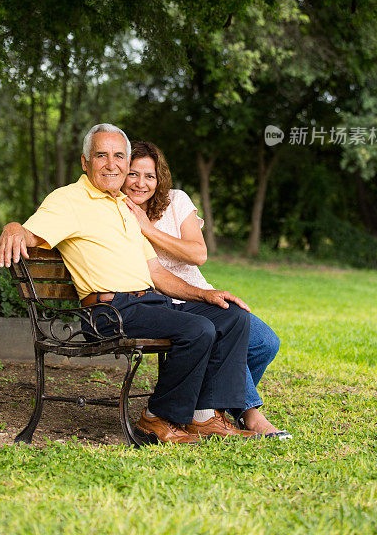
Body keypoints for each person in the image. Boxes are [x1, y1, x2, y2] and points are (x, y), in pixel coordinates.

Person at [0, 123, 260, 445]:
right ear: (85, 161)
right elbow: (31, 233)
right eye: (101, 155)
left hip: (147, 302)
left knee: (232, 316)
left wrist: (206, 294)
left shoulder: (124, 206)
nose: (111, 164)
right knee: (197, 329)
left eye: (119, 156)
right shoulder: (69, 200)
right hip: (109, 310)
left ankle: (204, 416)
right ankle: (156, 419)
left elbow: (158, 275)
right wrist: (12, 226)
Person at [122, 140, 291, 439]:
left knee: (265, 343)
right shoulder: (118, 212)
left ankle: (210, 406)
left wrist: (148, 228)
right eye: (133, 174)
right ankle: (245, 414)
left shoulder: (176, 201)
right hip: (166, 302)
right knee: (214, 336)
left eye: (149, 175)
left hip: (200, 293)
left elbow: (198, 254)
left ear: (159, 178)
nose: (141, 183)